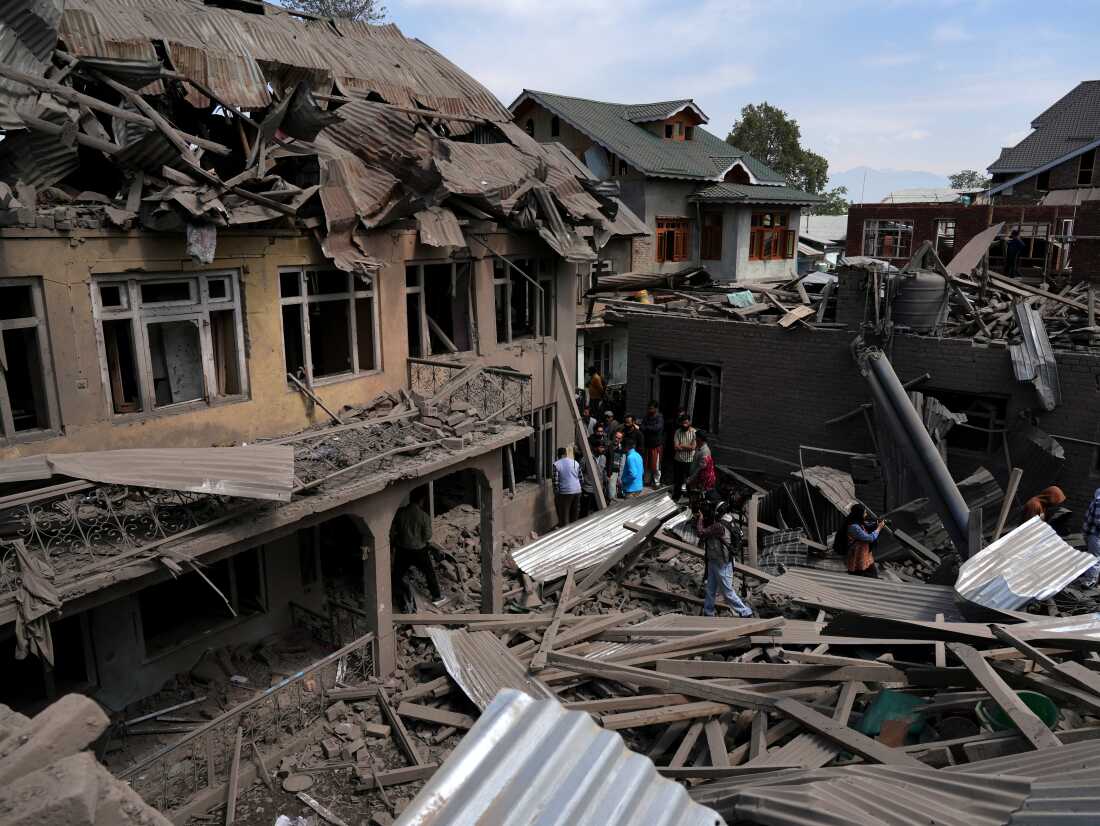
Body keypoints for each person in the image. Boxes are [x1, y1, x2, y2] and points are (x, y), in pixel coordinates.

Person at [695, 501, 753, 618]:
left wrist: (700, 518)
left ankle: (745, 612)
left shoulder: (718, 526)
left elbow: (701, 533)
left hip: (721, 562)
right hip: (714, 560)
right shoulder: (729, 519)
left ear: (718, 512)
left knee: (727, 592)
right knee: (710, 588)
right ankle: (708, 611)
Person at [391, 489, 446, 608]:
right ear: (421, 501)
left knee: (396, 575)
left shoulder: (400, 513)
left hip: (403, 549)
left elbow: (394, 529)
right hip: (419, 550)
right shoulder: (423, 516)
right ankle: (436, 596)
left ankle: (396, 597)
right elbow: (427, 536)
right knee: (429, 573)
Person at [835, 503, 883, 578]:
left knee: (872, 575)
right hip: (857, 556)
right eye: (865, 513)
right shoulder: (853, 526)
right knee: (862, 575)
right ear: (859, 513)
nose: (866, 514)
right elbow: (869, 538)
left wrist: (876, 524)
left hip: (865, 556)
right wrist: (879, 528)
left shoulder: (857, 522)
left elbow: (866, 526)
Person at [552, 447, 582, 527]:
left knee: (564, 515)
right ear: (566, 454)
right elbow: (581, 478)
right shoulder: (575, 463)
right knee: (574, 514)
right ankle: (574, 531)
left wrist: (557, 494)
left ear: (558, 455)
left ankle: (566, 533)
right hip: (577, 491)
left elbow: (555, 482)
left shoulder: (556, 464)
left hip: (565, 492)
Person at [672, 415, 696, 501]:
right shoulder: (678, 432)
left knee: (689, 481)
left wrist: (681, 445)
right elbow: (675, 447)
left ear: (689, 422)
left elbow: (693, 447)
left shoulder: (694, 432)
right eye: (683, 423)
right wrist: (687, 447)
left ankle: (691, 499)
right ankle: (676, 497)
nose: (685, 425)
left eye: (686, 423)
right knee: (678, 480)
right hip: (678, 460)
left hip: (690, 461)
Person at [686, 430, 716, 499]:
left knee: (698, 498)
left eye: (696, 437)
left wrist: (690, 479)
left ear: (700, 438)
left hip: (701, 481)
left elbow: (699, 469)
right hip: (696, 479)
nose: (695, 439)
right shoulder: (698, 447)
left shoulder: (705, 451)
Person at [580, 439, 607, 518]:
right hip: (588, 490)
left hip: (599, 490)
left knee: (598, 512)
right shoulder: (585, 459)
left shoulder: (603, 458)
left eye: (603, 447)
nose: (603, 449)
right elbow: (580, 473)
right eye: (601, 447)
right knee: (585, 513)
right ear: (595, 448)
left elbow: (602, 472)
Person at [641, 402, 665, 487]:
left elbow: (657, 428)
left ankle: (656, 482)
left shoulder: (659, 417)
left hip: (656, 446)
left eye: (651, 408)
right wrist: (648, 428)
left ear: (655, 409)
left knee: (656, 465)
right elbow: (642, 427)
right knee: (647, 464)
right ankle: (646, 481)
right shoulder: (646, 417)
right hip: (648, 445)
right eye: (649, 408)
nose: (650, 410)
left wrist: (647, 428)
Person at [1080, 487, 1100, 588]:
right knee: (1095, 558)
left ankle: (1090, 581)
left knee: (1094, 558)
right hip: (1096, 535)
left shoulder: (1096, 501)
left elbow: (1094, 520)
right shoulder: (1098, 502)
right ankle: (1091, 581)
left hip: (1094, 535)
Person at [606, 429, 625, 501]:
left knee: (612, 493)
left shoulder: (621, 449)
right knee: (610, 493)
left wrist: (620, 476)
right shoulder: (608, 447)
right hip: (609, 472)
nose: (617, 439)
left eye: (619, 438)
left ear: (621, 439)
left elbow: (622, 463)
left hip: (616, 472)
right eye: (616, 437)